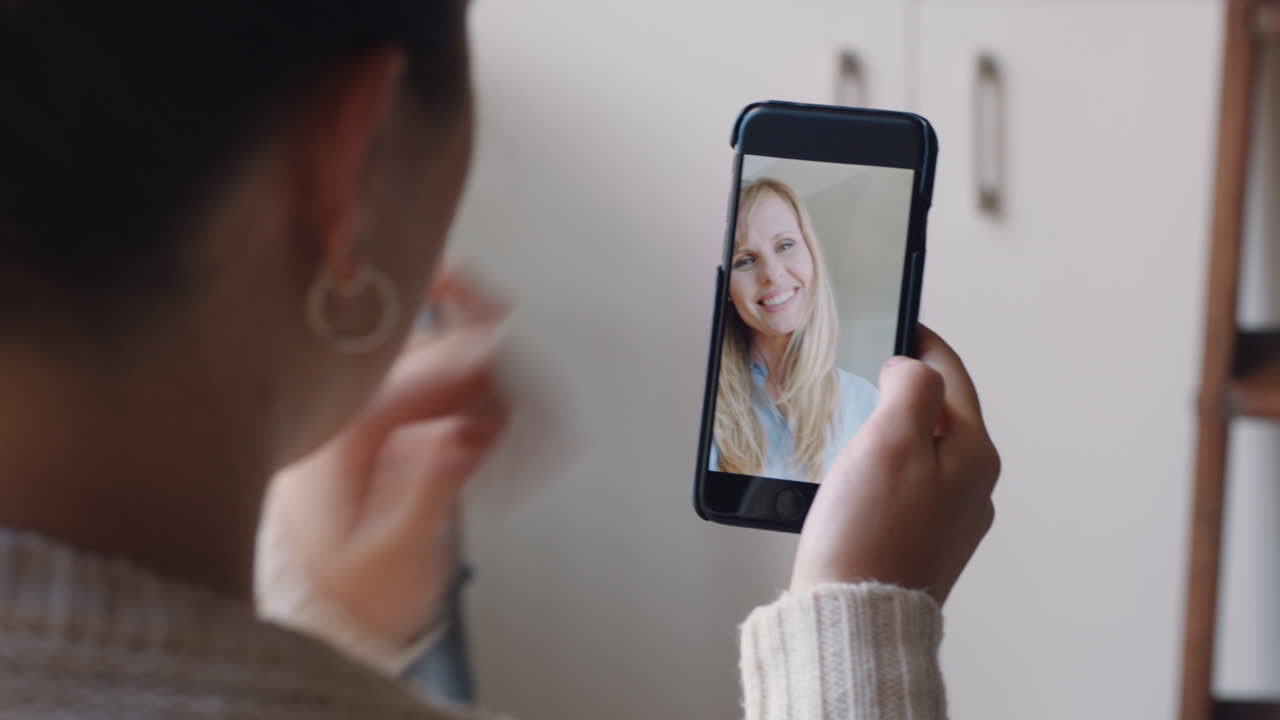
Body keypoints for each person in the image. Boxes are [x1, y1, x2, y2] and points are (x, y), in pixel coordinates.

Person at [0, 2, 1001, 719]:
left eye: (787, 249)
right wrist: (859, 634)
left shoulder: (850, 398)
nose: (768, 275)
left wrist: (324, 631)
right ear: (352, 161)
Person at [711, 178, 878, 483]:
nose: (772, 274)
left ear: (812, 254)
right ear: (725, 287)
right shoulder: (707, 408)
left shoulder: (866, 403)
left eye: (785, 245)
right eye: (745, 261)